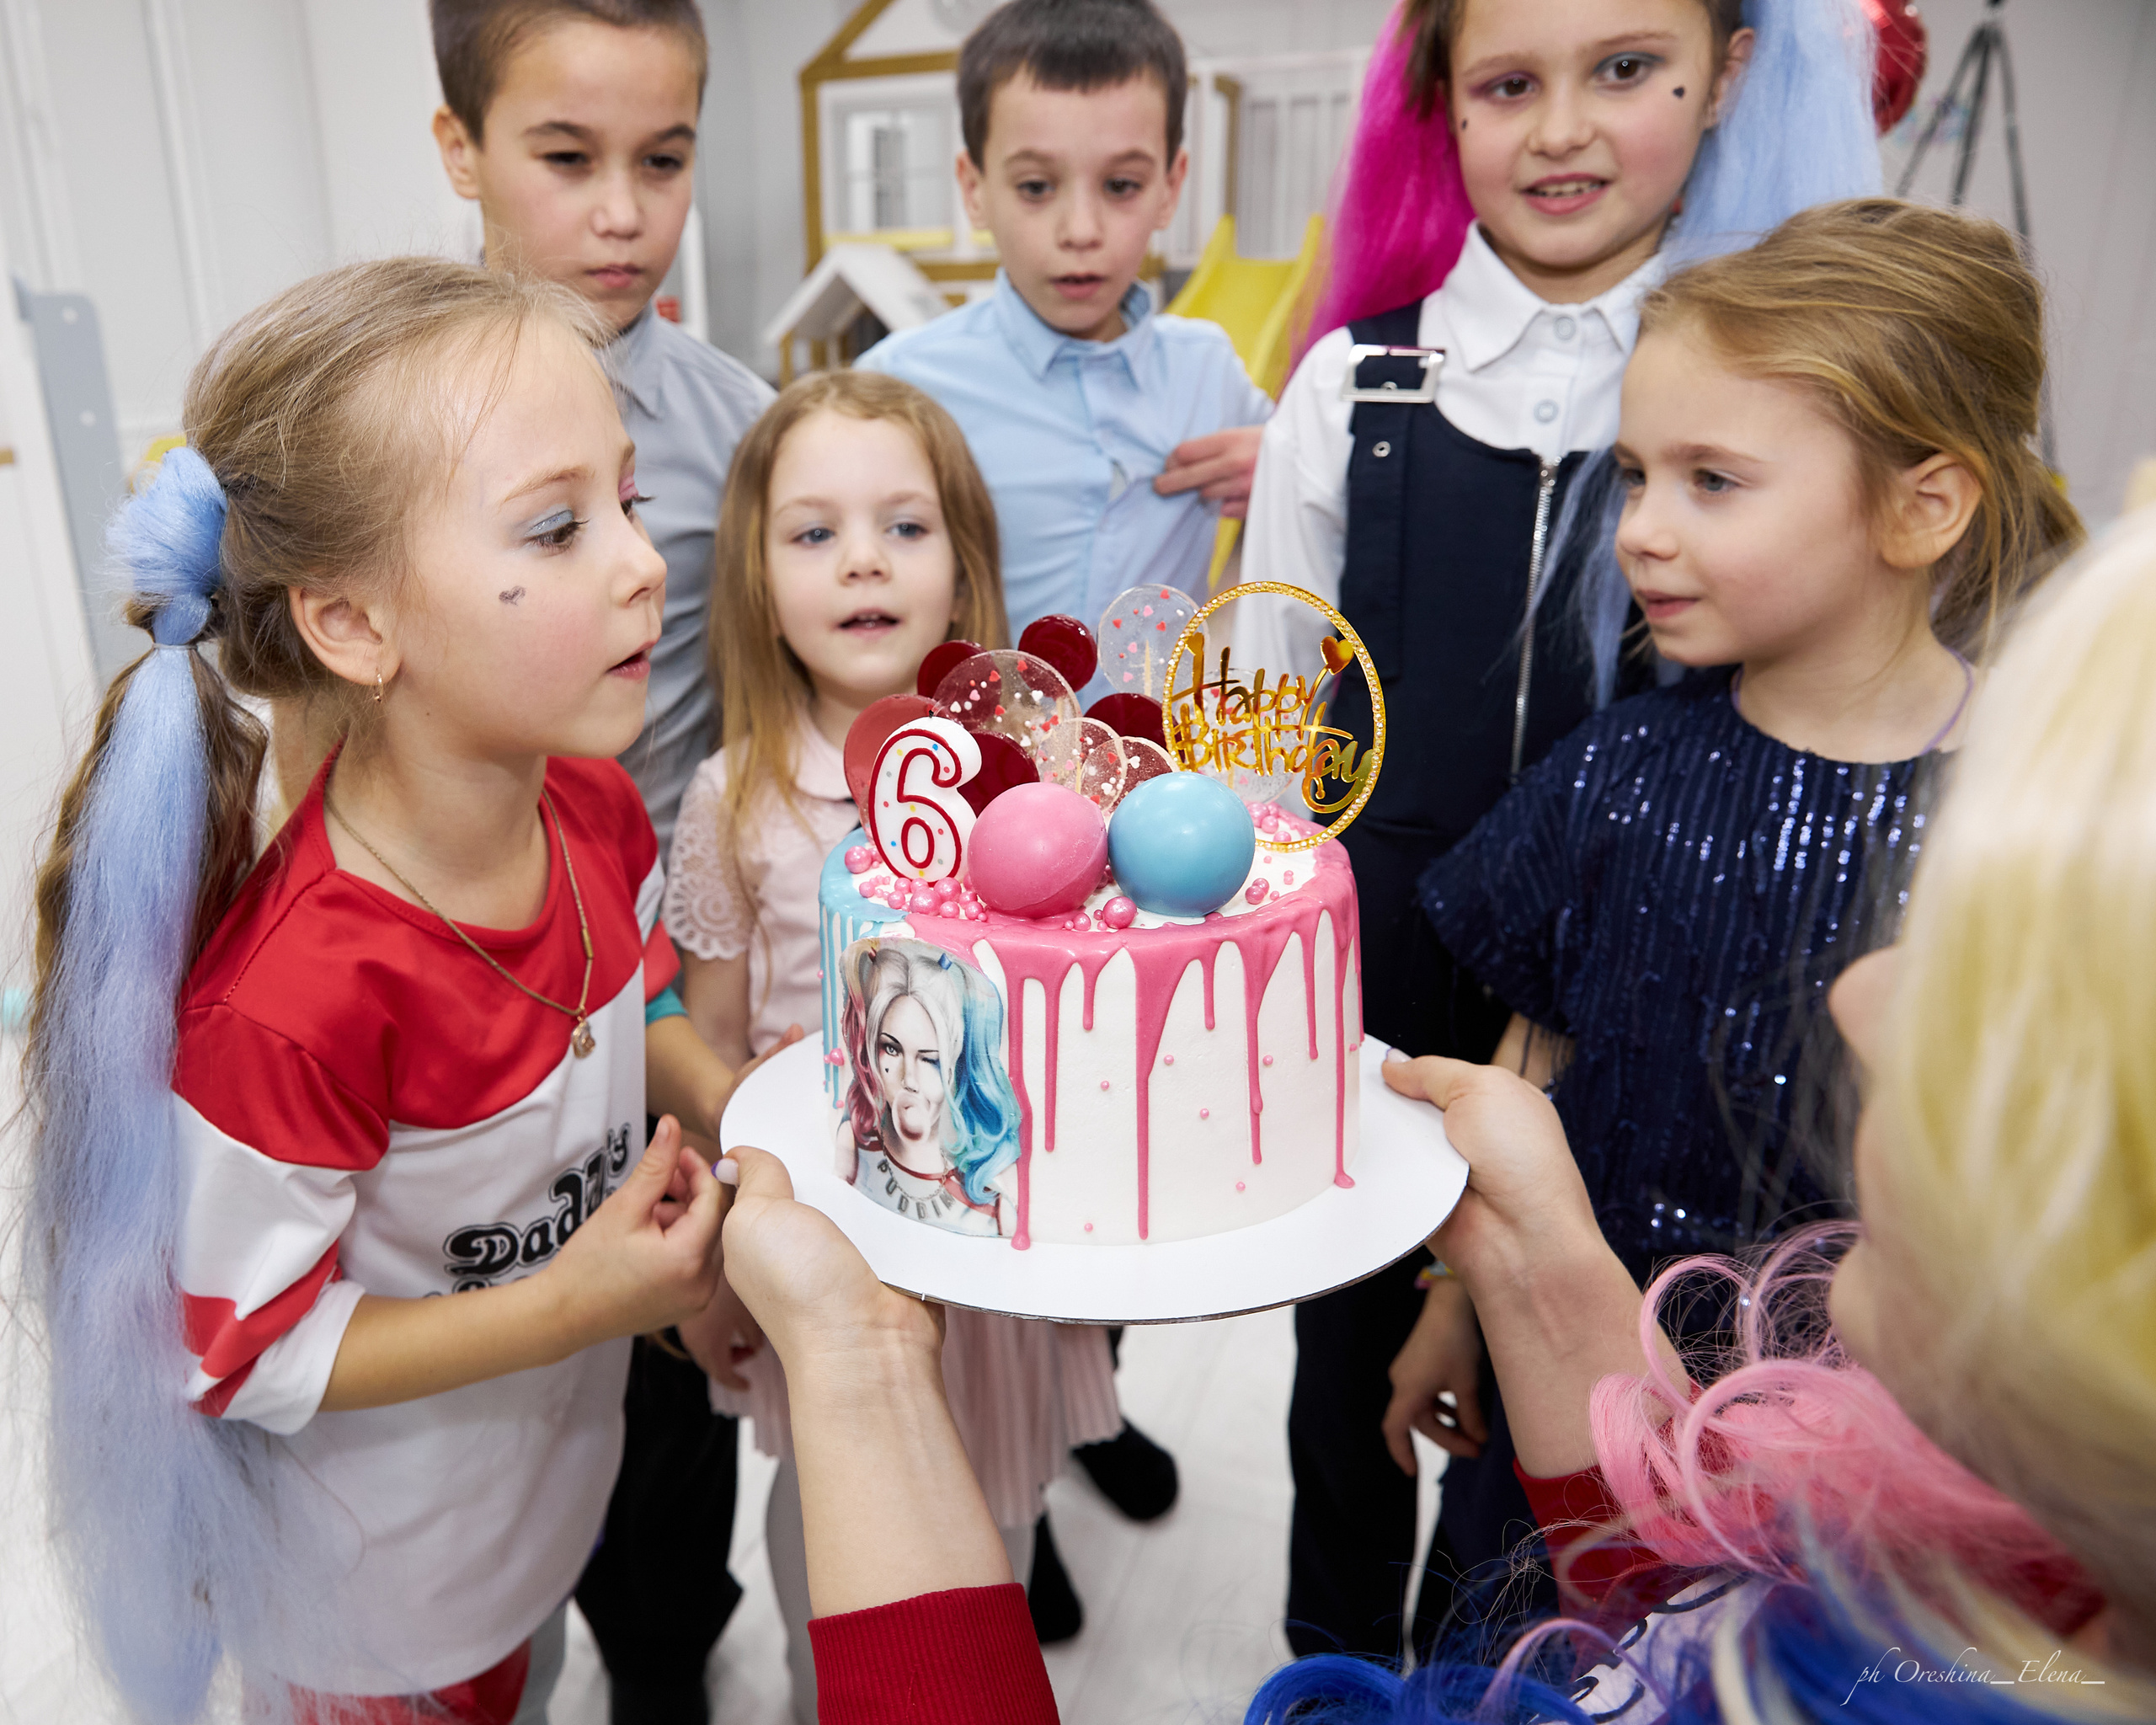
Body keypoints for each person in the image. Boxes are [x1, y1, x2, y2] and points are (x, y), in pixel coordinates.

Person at [706, 495, 2156, 1724]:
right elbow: (1688, 1621)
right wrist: (1539, 1265)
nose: (1867, 995)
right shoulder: (1994, 1594)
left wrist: (864, 1372)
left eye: (2001, 963)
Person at [22, 258, 768, 1725]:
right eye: (556, 526)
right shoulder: (295, 1001)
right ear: (354, 624)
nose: (641, 561)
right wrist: (576, 1300)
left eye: (627, 498)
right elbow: (236, 1349)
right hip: (379, 1612)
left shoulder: (595, 807)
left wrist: (718, 1124)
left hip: (535, 1508)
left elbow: (631, 996)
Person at [1231, 0, 1886, 1658]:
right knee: (1343, 1381)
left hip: (1633, 1008)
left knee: (1565, 1421)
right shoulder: (1352, 386)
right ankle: (1330, 1666)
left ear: (1726, 74)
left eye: (1627, 70)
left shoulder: (1763, 404)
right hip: (1370, 994)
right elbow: (1259, 736)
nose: (1564, 129)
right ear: (1441, 102)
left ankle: (1510, 1674)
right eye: (1510, 83)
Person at [1401, 188, 2085, 1664]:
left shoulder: (2028, 832)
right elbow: (1533, 1055)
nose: (1640, 531)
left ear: (1924, 504)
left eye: (1712, 481)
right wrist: (1462, 1295)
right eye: (1636, 475)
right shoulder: (1619, 769)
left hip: (1856, 1482)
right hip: (1570, 1403)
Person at [659, 371, 1119, 1702]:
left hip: (996, 1262)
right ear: (757, 586)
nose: (863, 559)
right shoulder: (732, 799)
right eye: (814, 533)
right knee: (830, 1531)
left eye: (905, 527)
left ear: (964, 572)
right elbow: (712, 1054)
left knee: (991, 1532)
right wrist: (714, 1270)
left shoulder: (1041, 792)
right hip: (827, 1259)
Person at [428, 7, 776, 1715]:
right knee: (469, 1343)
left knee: (659, 1371)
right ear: (461, 148)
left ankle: (662, 1656)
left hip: (644, 996)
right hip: (441, 999)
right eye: (567, 159)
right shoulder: (382, 408)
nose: (624, 212)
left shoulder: (741, 427)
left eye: (665, 158)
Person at [856, 0, 1273, 644]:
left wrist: (1288, 465)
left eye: (1121, 186)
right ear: (974, 188)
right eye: (1035, 187)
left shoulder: (1209, 374)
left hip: (1163, 713)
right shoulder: (899, 386)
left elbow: (1323, 505)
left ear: (1170, 186)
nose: (1081, 231)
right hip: (965, 712)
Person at [835, 940, 1024, 1238]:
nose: (909, 1079)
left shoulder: (993, 1202)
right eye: (891, 1049)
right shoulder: (855, 1147)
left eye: (929, 1059)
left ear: (957, 1066)